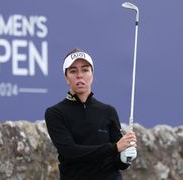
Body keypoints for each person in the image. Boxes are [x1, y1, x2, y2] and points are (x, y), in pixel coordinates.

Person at [44, 48, 137, 180]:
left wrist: (125, 158)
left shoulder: (108, 111)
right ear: (66, 78)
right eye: (73, 71)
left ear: (92, 74)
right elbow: (70, 152)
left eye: (85, 70)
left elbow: (118, 163)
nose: (79, 75)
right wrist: (115, 147)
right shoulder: (55, 113)